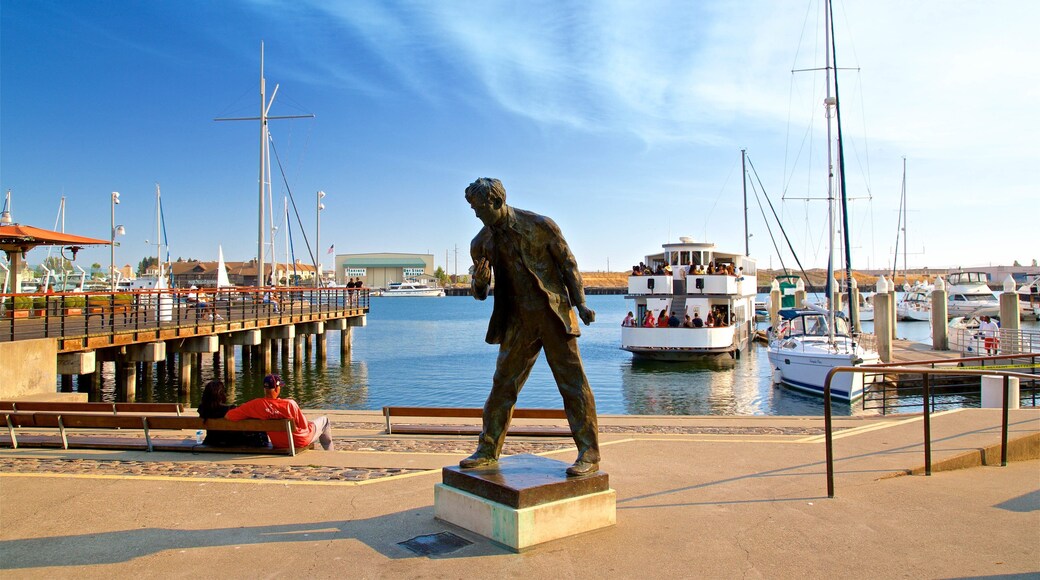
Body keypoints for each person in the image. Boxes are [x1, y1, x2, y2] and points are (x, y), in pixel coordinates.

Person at [460, 177, 600, 477]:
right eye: (472, 209)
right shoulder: (480, 243)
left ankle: (589, 452)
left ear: (497, 202)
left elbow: (568, 265)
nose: (476, 214)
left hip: (553, 314)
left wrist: (581, 303)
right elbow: (481, 294)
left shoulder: (540, 225)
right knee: (502, 387)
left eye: (479, 208)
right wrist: (480, 282)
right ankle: (487, 449)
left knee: (573, 385)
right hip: (517, 321)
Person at [225, 374, 334, 451]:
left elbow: (230, 416)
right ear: (277, 389)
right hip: (300, 440)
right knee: (325, 421)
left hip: (279, 443)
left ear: (264, 389)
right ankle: (330, 453)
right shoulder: (289, 404)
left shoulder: (256, 405)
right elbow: (303, 425)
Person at [197, 380, 269, 447]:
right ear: (222, 395)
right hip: (232, 441)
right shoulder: (229, 410)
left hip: (212, 441)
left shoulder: (203, 410)